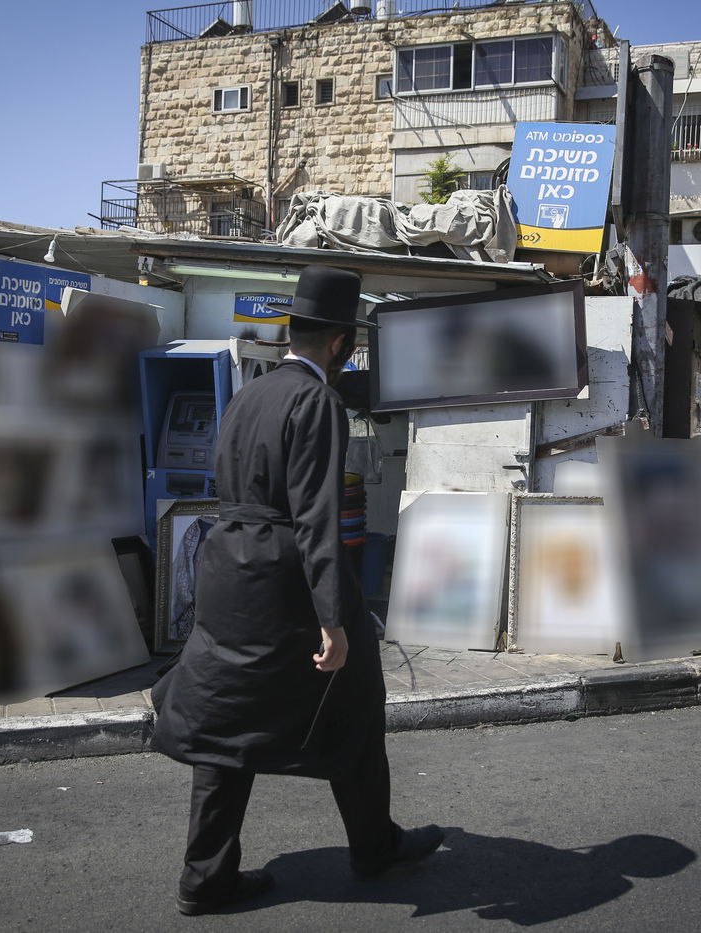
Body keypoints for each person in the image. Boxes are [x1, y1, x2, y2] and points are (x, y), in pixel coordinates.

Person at [150, 265, 444, 916]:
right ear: (341, 344)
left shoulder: (251, 392)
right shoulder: (318, 401)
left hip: (230, 572)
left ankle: (206, 876)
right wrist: (334, 620)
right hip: (286, 579)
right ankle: (373, 849)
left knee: (225, 721)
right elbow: (316, 516)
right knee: (358, 699)